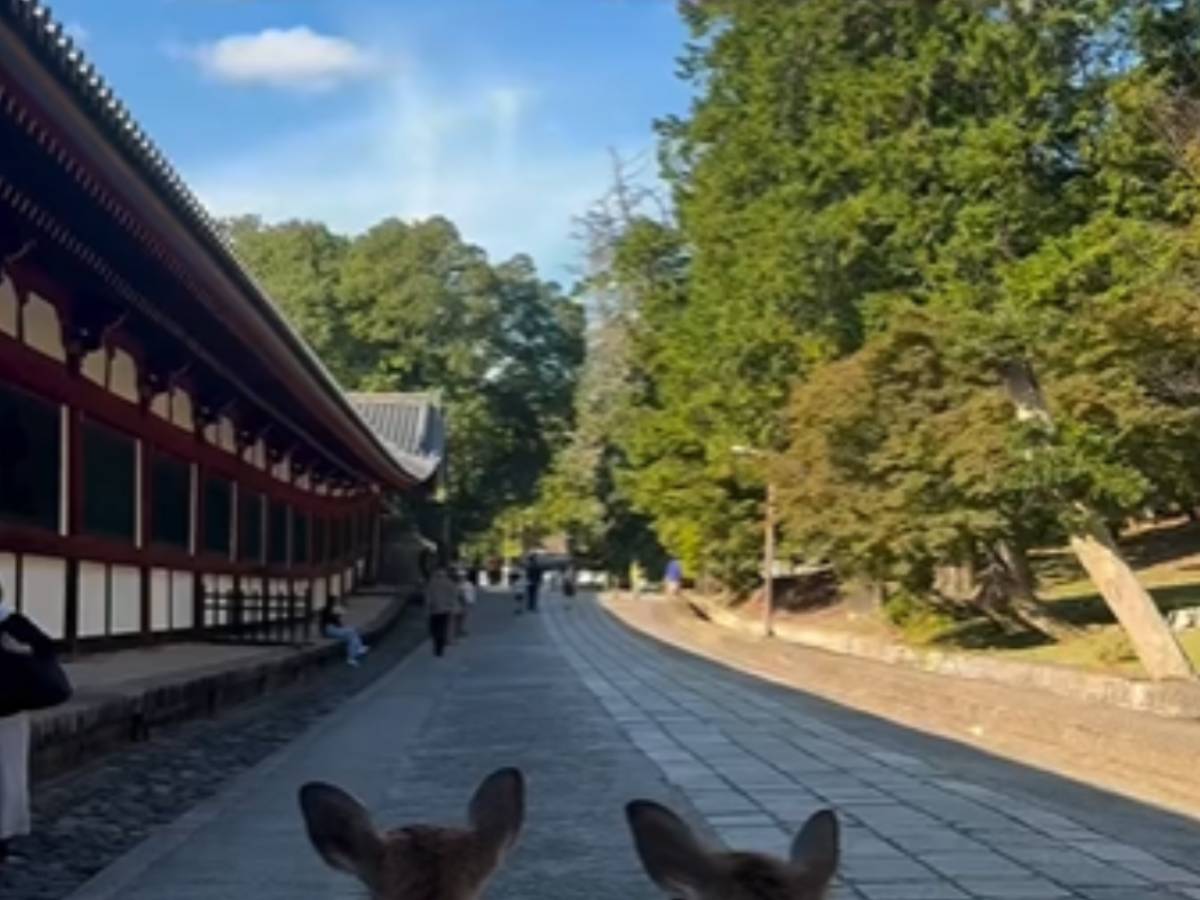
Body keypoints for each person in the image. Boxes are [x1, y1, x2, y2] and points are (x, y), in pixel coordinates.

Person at [0, 588, 71, 865]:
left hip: (7, 714)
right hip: (9, 712)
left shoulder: (11, 623)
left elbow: (45, 648)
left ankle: (3, 837)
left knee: (6, 778)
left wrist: (21, 652)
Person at [320, 600, 369, 667]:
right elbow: (334, 622)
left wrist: (338, 618)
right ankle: (355, 651)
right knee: (351, 632)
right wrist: (337, 615)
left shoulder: (331, 612)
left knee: (351, 634)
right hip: (329, 629)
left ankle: (354, 653)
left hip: (332, 629)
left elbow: (339, 624)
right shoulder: (327, 612)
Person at [426, 563, 459, 657]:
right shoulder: (450, 583)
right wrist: (453, 606)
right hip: (446, 609)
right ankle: (440, 647)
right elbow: (454, 596)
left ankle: (437, 644)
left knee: (434, 628)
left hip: (434, 609)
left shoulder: (432, 582)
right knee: (442, 627)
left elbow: (428, 596)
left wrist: (427, 606)